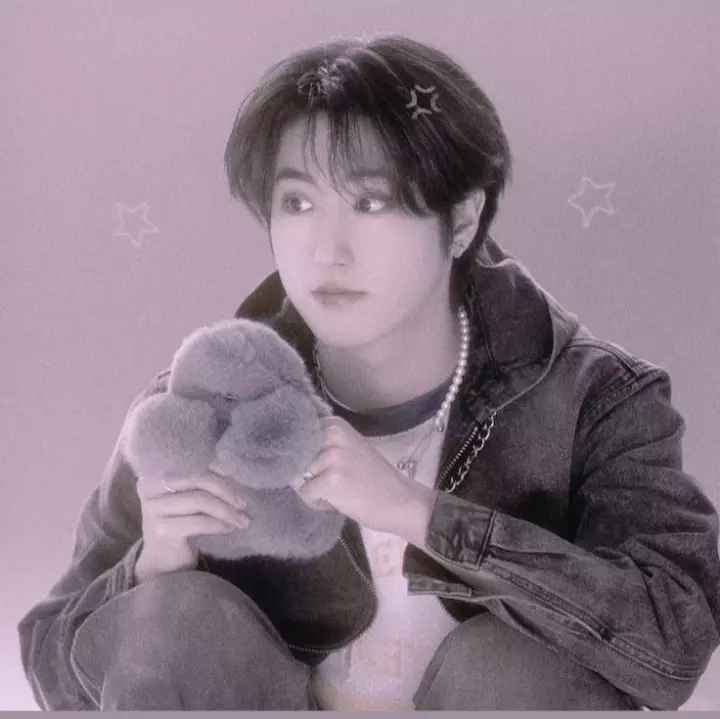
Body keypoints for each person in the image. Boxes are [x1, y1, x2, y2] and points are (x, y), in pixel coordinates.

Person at [18, 33, 720, 712]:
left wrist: (418, 512)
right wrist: (150, 566)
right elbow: (48, 658)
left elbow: (674, 643)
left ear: (463, 219)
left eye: (371, 200)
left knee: (516, 667)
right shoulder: (205, 407)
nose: (328, 249)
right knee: (168, 620)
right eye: (298, 203)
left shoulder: (595, 398)